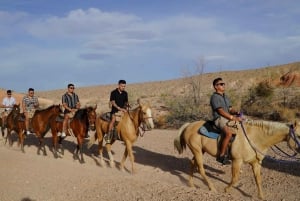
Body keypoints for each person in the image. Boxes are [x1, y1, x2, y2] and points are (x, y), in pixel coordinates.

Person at [210, 77, 242, 165]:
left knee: (241, 127)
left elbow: (230, 108)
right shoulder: (214, 97)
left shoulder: (225, 96)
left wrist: (236, 112)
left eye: (223, 84)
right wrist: (232, 118)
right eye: (221, 84)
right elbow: (220, 111)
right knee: (228, 133)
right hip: (219, 118)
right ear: (216, 86)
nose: (223, 85)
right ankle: (221, 155)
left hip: (227, 117)